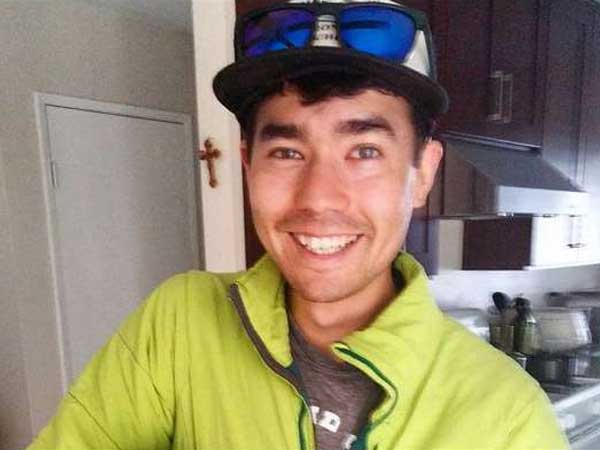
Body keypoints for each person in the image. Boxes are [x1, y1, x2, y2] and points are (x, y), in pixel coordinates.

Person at [28, 1, 569, 449]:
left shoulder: (508, 417)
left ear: (422, 173)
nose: (319, 197)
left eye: (364, 151)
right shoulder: (179, 323)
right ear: (248, 165)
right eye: (287, 152)